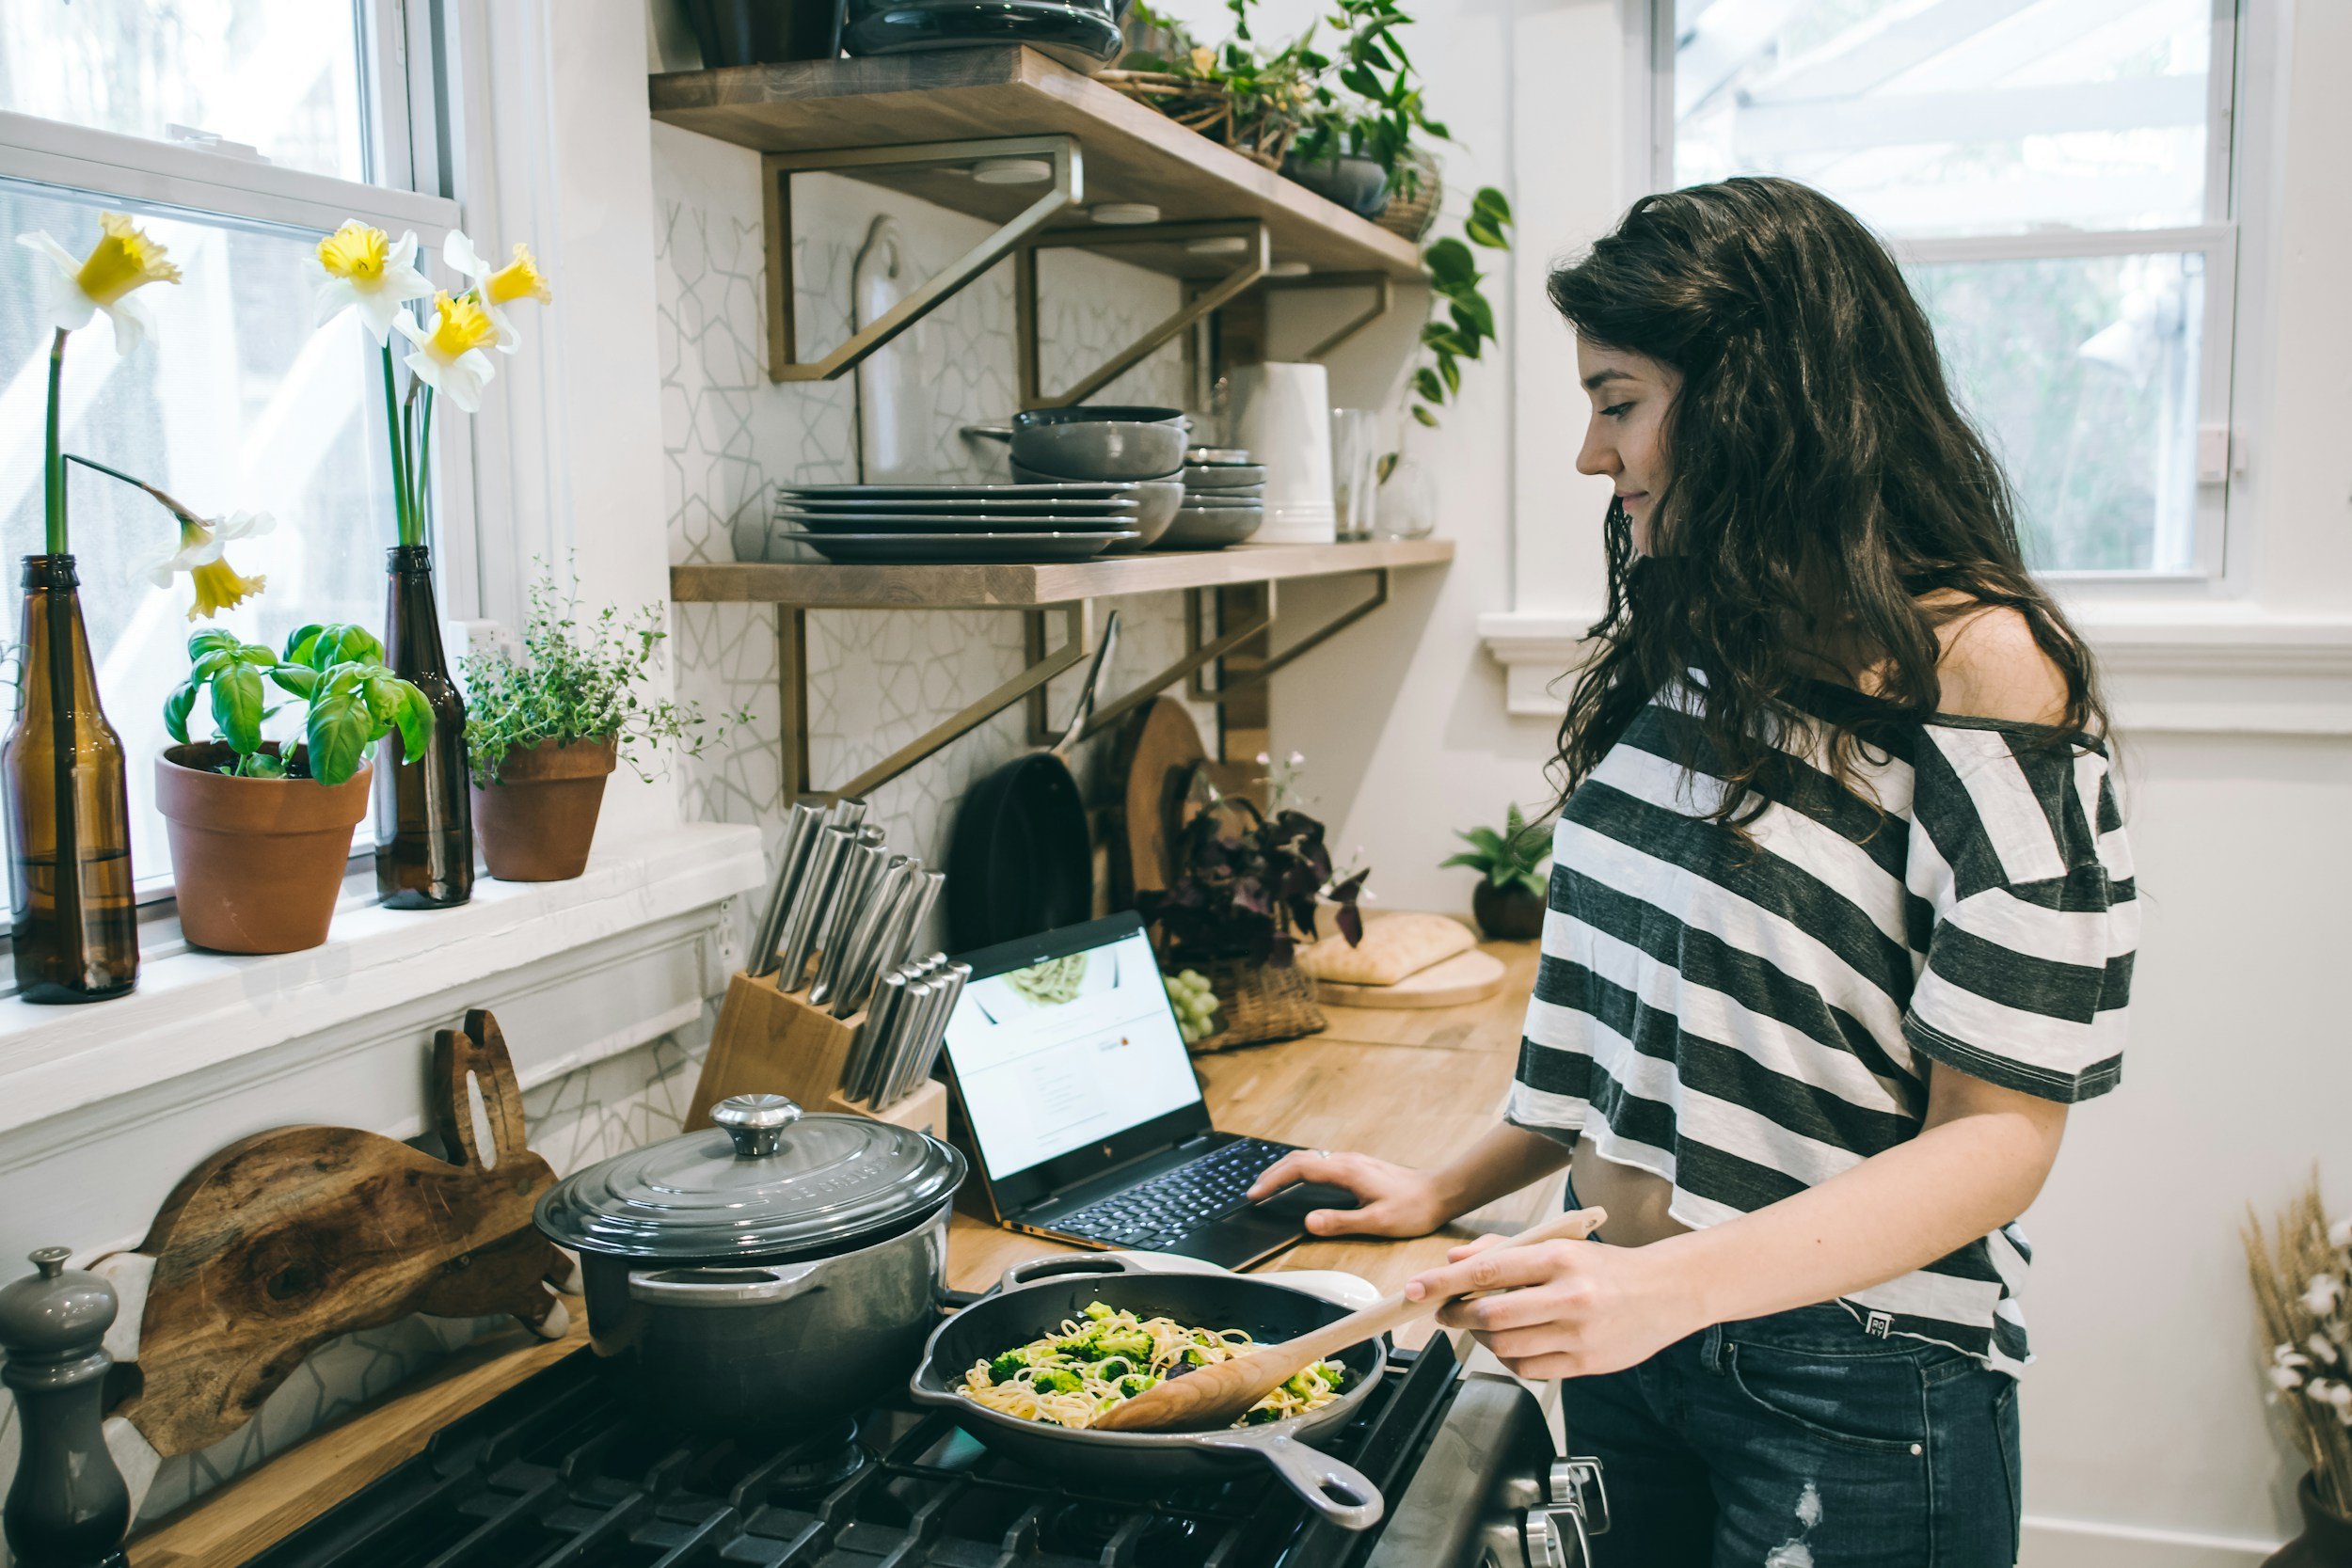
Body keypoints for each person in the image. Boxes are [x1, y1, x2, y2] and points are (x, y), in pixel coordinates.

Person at [1246, 177, 2135, 1566]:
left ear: (1760, 399)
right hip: (1623, 1337)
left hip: (1846, 1378)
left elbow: (1999, 1138)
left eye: (1618, 401)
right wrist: (1447, 1189)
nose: (1593, 456)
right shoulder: (1709, 637)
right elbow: (1640, 1023)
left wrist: (1668, 1293)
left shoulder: (1984, 670)